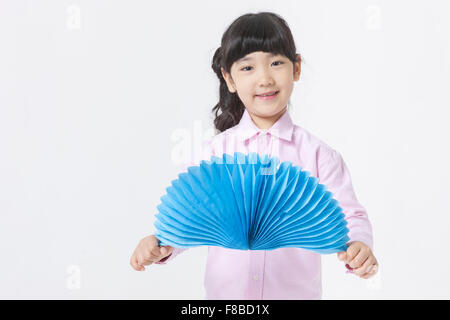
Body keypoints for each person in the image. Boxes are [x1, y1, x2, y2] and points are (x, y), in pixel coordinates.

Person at [130, 11, 378, 299]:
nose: (264, 78)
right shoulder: (215, 154)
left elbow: (350, 215)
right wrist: (161, 245)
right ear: (229, 78)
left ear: (296, 69)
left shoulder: (319, 155)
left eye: (276, 63)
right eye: (247, 68)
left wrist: (359, 244)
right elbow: (193, 218)